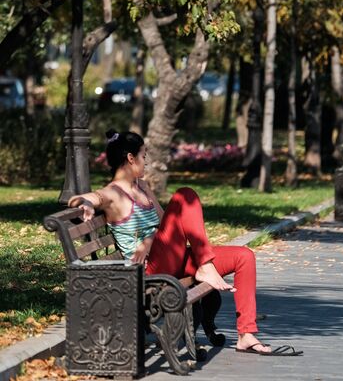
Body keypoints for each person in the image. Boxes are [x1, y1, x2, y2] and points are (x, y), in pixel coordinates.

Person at [68, 129, 301, 356]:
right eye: (143, 156)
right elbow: (94, 197)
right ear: (130, 158)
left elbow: (164, 226)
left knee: (244, 256)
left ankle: (246, 333)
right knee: (184, 195)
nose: (146, 161)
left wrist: (149, 239)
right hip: (148, 270)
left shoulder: (143, 188)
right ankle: (206, 266)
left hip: (169, 258)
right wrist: (84, 202)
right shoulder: (114, 193)